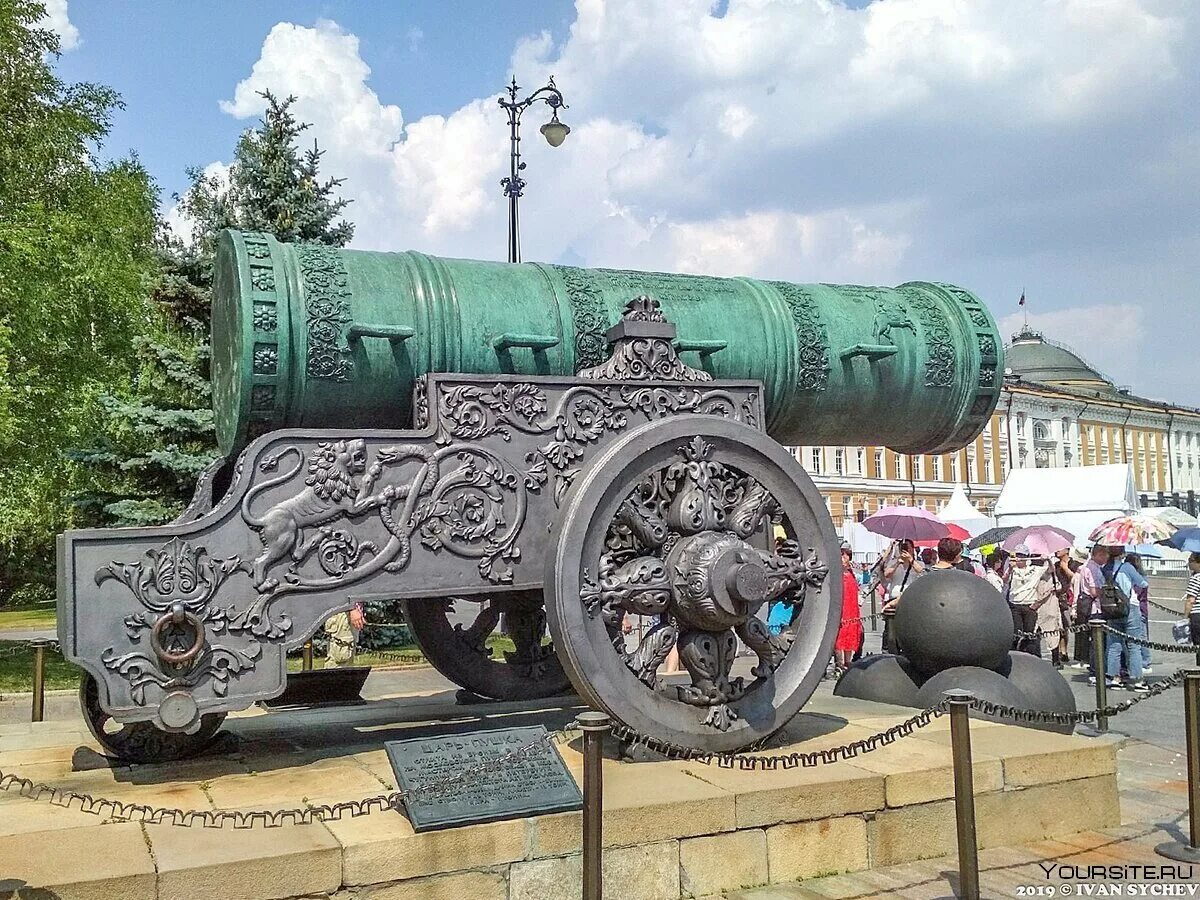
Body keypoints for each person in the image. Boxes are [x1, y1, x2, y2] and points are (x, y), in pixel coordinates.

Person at [1097, 546, 1149, 692]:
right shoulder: (1126, 567)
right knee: (1134, 645)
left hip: (1111, 609)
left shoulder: (1104, 568)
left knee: (1114, 644)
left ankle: (1113, 678)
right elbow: (1143, 583)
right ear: (1122, 553)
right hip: (1129, 607)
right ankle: (1137, 680)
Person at [1005, 547, 1052, 656]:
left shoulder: (1035, 569)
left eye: (1022, 556)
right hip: (1015, 604)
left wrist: (1047, 560)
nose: (1019, 558)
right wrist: (1010, 568)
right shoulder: (1012, 569)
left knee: (1029, 633)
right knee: (1016, 633)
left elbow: (1051, 570)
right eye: (1018, 555)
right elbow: (1005, 580)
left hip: (1029, 604)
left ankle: (1030, 656)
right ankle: (1015, 655)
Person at [880, 539, 922, 653]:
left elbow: (922, 572)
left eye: (907, 548)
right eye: (902, 548)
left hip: (910, 600)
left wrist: (911, 560)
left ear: (912, 549)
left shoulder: (918, 563)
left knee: (909, 627)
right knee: (891, 631)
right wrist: (897, 562)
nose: (905, 550)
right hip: (893, 600)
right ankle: (890, 651)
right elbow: (886, 574)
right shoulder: (894, 562)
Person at [834, 545, 864, 672]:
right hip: (842, 608)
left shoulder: (852, 573)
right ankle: (839, 662)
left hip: (852, 609)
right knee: (839, 636)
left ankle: (848, 660)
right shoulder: (837, 574)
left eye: (846, 555)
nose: (844, 558)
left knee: (850, 634)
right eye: (842, 555)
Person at [1126, 552, 1152, 673]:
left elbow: (1138, 593)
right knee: (1140, 636)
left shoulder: (1137, 578)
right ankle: (1142, 662)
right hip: (1141, 609)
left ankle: (1145, 662)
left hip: (1139, 609)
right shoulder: (1141, 576)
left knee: (1141, 637)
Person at [324, 603, 366, 668]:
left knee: (346, 662)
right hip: (344, 613)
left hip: (347, 611)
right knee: (339, 662)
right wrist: (352, 608)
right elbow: (343, 593)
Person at [1183, 552, 1200, 646]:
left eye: (1191, 560)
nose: (1189, 563)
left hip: (1197, 615)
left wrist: (1185, 617)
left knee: (1198, 645)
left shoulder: (1196, 578)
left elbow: (1191, 600)